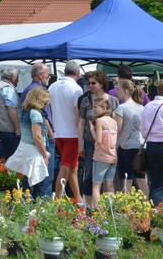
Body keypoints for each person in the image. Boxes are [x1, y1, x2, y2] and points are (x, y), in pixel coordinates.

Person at [77, 69, 118, 205]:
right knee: (89, 174)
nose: (90, 86)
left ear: (102, 83)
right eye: (89, 83)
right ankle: (89, 206)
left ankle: (106, 207)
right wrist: (80, 143)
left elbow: (116, 123)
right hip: (90, 142)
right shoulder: (86, 100)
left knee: (107, 178)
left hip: (107, 145)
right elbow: (81, 122)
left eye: (93, 83)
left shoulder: (112, 101)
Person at [3, 86, 51, 199]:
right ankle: (37, 209)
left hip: (26, 147)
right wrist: (45, 155)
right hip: (35, 151)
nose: (47, 103)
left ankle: (25, 206)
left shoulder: (25, 111)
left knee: (28, 181)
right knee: (39, 184)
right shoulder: (35, 113)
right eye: (45, 101)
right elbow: (37, 137)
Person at [49, 60, 84, 202]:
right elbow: (77, 115)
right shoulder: (77, 89)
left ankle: (79, 199)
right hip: (72, 134)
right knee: (66, 167)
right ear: (78, 74)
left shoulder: (52, 86)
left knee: (72, 167)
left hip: (59, 132)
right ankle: (56, 199)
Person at [20, 62, 56, 197]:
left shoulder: (29, 90)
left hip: (30, 144)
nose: (50, 77)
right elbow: (39, 130)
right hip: (40, 143)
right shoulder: (37, 93)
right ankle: (41, 207)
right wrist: (51, 137)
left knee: (31, 177)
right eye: (48, 74)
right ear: (41, 75)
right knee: (43, 179)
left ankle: (28, 204)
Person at [113, 78, 147, 195]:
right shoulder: (142, 108)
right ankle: (147, 204)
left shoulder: (121, 108)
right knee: (141, 179)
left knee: (127, 179)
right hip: (140, 145)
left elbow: (118, 129)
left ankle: (127, 207)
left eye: (119, 90)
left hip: (126, 146)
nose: (117, 92)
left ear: (126, 91)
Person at [90, 96, 118, 207]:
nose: (93, 109)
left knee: (96, 186)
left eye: (96, 107)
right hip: (113, 156)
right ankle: (112, 208)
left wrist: (92, 130)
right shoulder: (114, 121)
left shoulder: (100, 121)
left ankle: (98, 211)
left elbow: (98, 140)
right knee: (110, 184)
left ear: (104, 107)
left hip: (101, 157)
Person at [0, 67, 21, 160]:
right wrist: (17, 128)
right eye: (17, 78)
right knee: (10, 160)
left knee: (1, 160)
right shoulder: (7, 88)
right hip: (8, 130)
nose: (18, 81)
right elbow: (11, 108)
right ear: (13, 78)